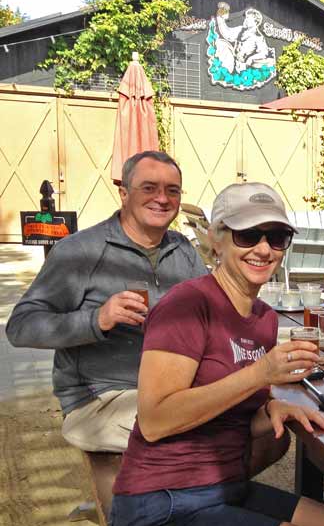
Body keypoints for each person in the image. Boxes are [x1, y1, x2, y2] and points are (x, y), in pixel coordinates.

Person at [109, 182, 324, 526]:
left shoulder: (263, 318)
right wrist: (259, 375)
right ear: (216, 239)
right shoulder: (187, 304)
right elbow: (156, 419)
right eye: (248, 235)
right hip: (162, 509)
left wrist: (270, 407)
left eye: (277, 237)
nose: (264, 249)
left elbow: (226, 411)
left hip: (224, 489)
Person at [6, 151, 208, 453]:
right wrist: (97, 318)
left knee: (260, 430)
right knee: (203, 440)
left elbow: (210, 312)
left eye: (172, 190)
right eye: (149, 187)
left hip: (170, 391)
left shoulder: (183, 250)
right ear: (124, 194)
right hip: (100, 399)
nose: (162, 199)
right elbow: (20, 327)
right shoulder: (80, 251)